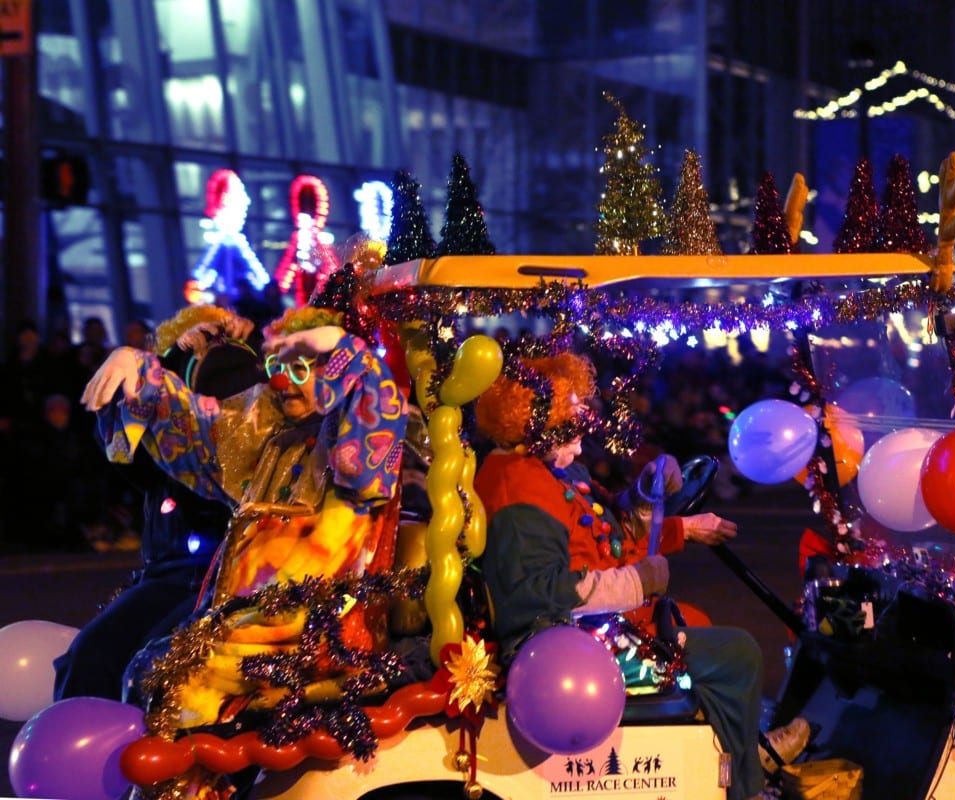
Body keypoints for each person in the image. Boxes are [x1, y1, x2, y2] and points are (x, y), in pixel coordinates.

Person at [83, 304, 413, 794]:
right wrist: (145, 371)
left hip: (317, 626)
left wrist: (351, 355)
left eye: (301, 369)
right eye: (278, 369)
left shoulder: (356, 430)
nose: (284, 384)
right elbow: (200, 429)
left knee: (179, 688)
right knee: (143, 668)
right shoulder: (271, 433)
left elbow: (369, 440)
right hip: (247, 619)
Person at [474, 351, 796, 800]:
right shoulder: (520, 487)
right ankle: (746, 785)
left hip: (596, 628)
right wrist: (639, 582)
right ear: (537, 417)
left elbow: (604, 530)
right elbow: (539, 593)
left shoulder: (551, 469)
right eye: (571, 408)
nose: (584, 416)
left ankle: (737, 752)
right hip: (567, 646)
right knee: (738, 653)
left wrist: (648, 496)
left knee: (696, 620)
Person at [54, 305, 262, 701]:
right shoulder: (164, 444)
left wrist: (237, 342)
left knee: (154, 664)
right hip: (170, 577)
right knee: (89, 657)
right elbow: (122, 449)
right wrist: (163, 360)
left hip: (233, 581)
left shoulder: (251, 421)